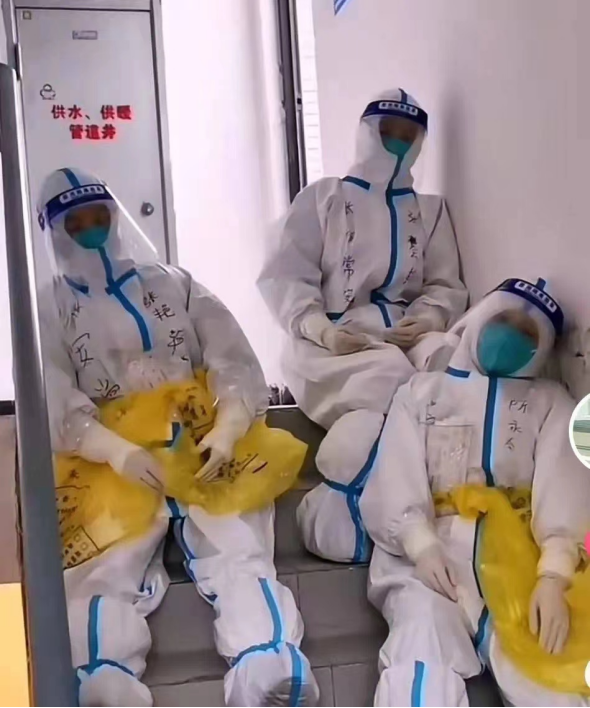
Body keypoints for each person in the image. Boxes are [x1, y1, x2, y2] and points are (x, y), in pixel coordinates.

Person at [38, 168, 319, 707]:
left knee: (238, 546)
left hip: (199, 439)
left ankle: (268, 665)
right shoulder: (49, 308)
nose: (92, 230)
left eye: (100, 216)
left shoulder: (173, 283)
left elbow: (231, 355)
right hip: (106, 462)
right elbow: (51, 392)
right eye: (76, 222)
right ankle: (103, 678)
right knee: (102, 570)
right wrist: (112, 450)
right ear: (55, 232)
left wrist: (230, 425)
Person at [258, 88, 467, 563]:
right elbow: (285, 275)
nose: (397, 143)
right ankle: (379, 511)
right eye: (387, 131)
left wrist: (430, 317)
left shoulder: (429, 211)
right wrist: (320, 328)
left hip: (407, 333)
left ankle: (438, 506)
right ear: (366, 132)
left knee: (450, 363)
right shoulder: (323, 198)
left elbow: (445, 284)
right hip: (330, 343)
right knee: (392, 379)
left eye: (408, 135)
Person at [360, 277, 590, 706]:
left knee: (551, 681)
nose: (509, 340)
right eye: (504, 323)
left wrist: (554, 576)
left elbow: (564, 492)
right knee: (422, 649)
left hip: (517, 566)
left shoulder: (551, 403)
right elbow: (395, 474)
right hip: (430, 562)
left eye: (526, 334)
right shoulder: (422, 393)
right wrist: (420, 543)